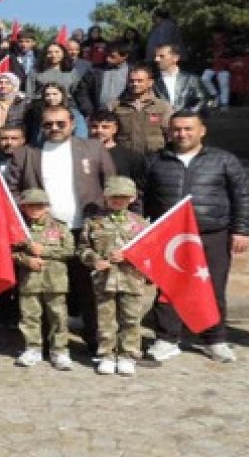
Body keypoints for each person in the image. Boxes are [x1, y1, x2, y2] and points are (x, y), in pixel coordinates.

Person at [144, 110, 249, 363]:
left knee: (212, 287)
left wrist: (241, 229)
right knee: (168, 288)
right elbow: (141, 196)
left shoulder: (223, 160)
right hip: (170, 234)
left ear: (201, 131)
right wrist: (141, 229)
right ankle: (166, 338)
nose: (182, 134)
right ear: (169, 132)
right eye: (176, 129)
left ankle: (214, 339)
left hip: (212, 234)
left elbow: (242, 196)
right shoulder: (155, 161)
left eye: (188, 129)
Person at [8, 104, 116, 355]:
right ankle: (47, 344)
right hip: (45, 235)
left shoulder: (93, 148)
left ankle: (96, 341)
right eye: (48, 124)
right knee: (47, 290)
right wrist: (28, 212)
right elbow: (11, 190)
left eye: (60, 123)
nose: (54, 128)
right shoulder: (25, 154)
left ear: (73, 124)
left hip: (84, 230)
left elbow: (110, 185)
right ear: (41, 126)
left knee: (89, 289)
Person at [79, 176, 151, 376]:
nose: (118, 200)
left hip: (132, 279)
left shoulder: (141, 224)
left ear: (132, 198)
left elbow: (149, 252)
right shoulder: (94, 222)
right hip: (104, 280)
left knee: (131, 319)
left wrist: (128, 256)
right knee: (105, 319)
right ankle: (106, 355)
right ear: (106, 197)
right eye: (114, 197)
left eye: (123, 197)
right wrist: (94, 260)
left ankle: (128, 355)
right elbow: (82, 248)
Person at [11, 188, 76, 370]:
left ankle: (59, 351)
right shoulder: (19, 228)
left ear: (47, 207)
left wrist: (44, 251)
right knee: (29, 316)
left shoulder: (59, 227)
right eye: (30, 206)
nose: (34, 210)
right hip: (29, 281)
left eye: (39, 206)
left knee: (58, 317)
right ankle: (32, 348)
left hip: (55, 281)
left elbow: (69, 251)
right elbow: (11, 252)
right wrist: (27, 260)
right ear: (23, 208)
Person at [110, 65, 173, 155]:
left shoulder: (163, 106)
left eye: (140, 81)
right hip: (125, 155)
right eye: (131, 81)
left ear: (150, 82)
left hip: (155, 156)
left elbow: (170, 133)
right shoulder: (115, 106)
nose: (135, 84)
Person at [87, 110, 146, 204]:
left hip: (120, 209)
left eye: (105, 127)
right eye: (94, 126)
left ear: (115, 129)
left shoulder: (131, 157)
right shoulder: (79, 154)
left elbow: (139, 189)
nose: (99, 130)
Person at [74, 41, 131, 117]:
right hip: (97, 115)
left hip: (123, 115)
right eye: (107, 55)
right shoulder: (95, 70)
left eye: (112, 56)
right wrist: (88, 111)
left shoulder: (132, 72)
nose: (107, 59)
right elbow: (81, 91)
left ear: (125, 56)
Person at [153, 44, 209, 112]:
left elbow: (202, 100)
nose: (156, 59)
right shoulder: (153, 81)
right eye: (155, 56)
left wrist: (186, 115)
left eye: (161, 56)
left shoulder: (191, 79)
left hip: (188, 117)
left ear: (175, 58)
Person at [0, 73, 27, 147]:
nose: (3, 86)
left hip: (17, 143)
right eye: (0, 83)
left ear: (14, 85)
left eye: (7, 83)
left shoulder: (24, 103)